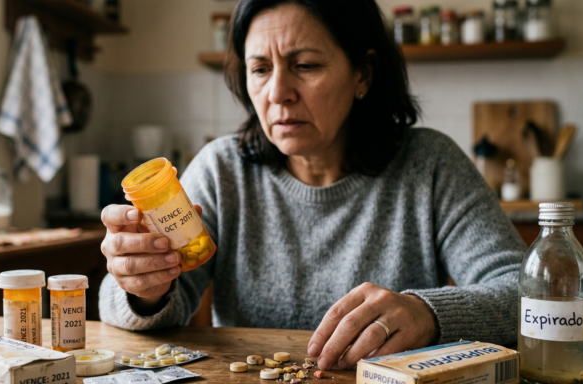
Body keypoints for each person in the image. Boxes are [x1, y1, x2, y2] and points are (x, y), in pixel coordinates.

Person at [99, 0, 525, 371]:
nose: (278, 92)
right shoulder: (220, 170)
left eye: (305, 66)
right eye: (260, 69)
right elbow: (122, 309)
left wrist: (427, 312)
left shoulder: (430, 164)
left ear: (363, 74)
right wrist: (143, 290)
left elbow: (527, 292)